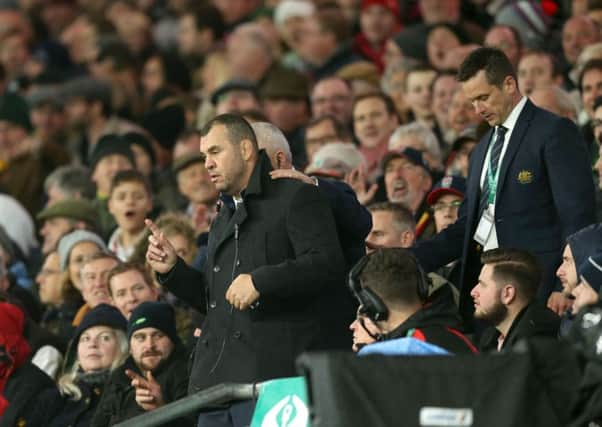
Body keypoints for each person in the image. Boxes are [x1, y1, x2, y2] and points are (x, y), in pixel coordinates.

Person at [145, 114, 345, 426]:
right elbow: (220, 300)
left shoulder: (296, 196)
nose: (207, 164)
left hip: (272, 387)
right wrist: (174, 270)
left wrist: (261, 280)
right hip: (215, 388)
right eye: (203, 156)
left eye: (215, 152)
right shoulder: (224, 213)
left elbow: (326, 264)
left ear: (246, 150)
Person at [412, 47, 595, 328]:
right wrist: (408, 258)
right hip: (486, 295)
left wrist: (567, 285)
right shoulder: (481, 149)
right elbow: (467, 227)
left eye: (483, 97)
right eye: (472, 101)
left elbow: (577, 215)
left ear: (509, 84)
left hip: (539, 290)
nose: (477, 109)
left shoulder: (553, 131)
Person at [348, 248, 476, 355]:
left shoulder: (401, 355)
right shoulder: (459, 339)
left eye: (364, 311)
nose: (352, 326)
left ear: (376, 309)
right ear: (422, 287)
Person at [91, 302, 190, 427]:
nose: (149, 345)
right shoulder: (119, 377)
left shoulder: (186, 371)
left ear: (173, 341)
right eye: (140, 338)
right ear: (130, 347)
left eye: (158, 336)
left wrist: (161, 409)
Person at [36, 304, 128, 427]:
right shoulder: (57, 397)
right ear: (77, 352)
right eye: (85, 338)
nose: (92, 344)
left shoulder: (129, 393)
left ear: (122, 347)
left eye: (105, 338)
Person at [471, 248, 560, 352]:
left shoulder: (533, 345)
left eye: (483, 285)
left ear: (508, 294)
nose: (473, 292)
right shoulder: (492, 336)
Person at [107, 170, 154, 261]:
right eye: (121, 197)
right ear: (110, 206)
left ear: (150, 204)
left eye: (138, 197)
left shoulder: (159, 245)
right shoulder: (106, 246)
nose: (129, 202)